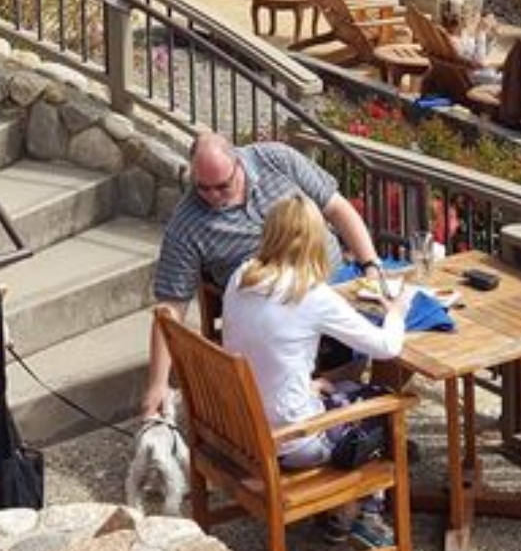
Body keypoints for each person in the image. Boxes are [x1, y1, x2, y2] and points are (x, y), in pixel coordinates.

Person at [140, 132, 379, 420]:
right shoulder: (187, 224)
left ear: (238, 163)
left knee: (413, 316)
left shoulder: (277, 159)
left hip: (339, 279)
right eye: (203, 188)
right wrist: (157, 384)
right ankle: (368, 420)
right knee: (383, 337)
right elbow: (170, 309)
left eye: (222, 186)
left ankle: (357, 406)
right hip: (283, 309)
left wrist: (371, 266)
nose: (214, 196)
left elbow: (337, 208)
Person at [222, 196, 408, 549]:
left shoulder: (239, 277)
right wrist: (396, 311)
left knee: (343, 386)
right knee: (382, 404)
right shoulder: (310, 295)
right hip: (290, 442)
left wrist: (308, 386)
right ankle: (358, 515)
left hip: (242, 428)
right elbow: (387, 347)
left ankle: (347, 509)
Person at [435, 0, 500, 85]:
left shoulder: (447, 36)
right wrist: (481, 33)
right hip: (472, 79)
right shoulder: (455, 41)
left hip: (469, 75)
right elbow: (479, 62)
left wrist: (490, 38)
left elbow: (476, 55)